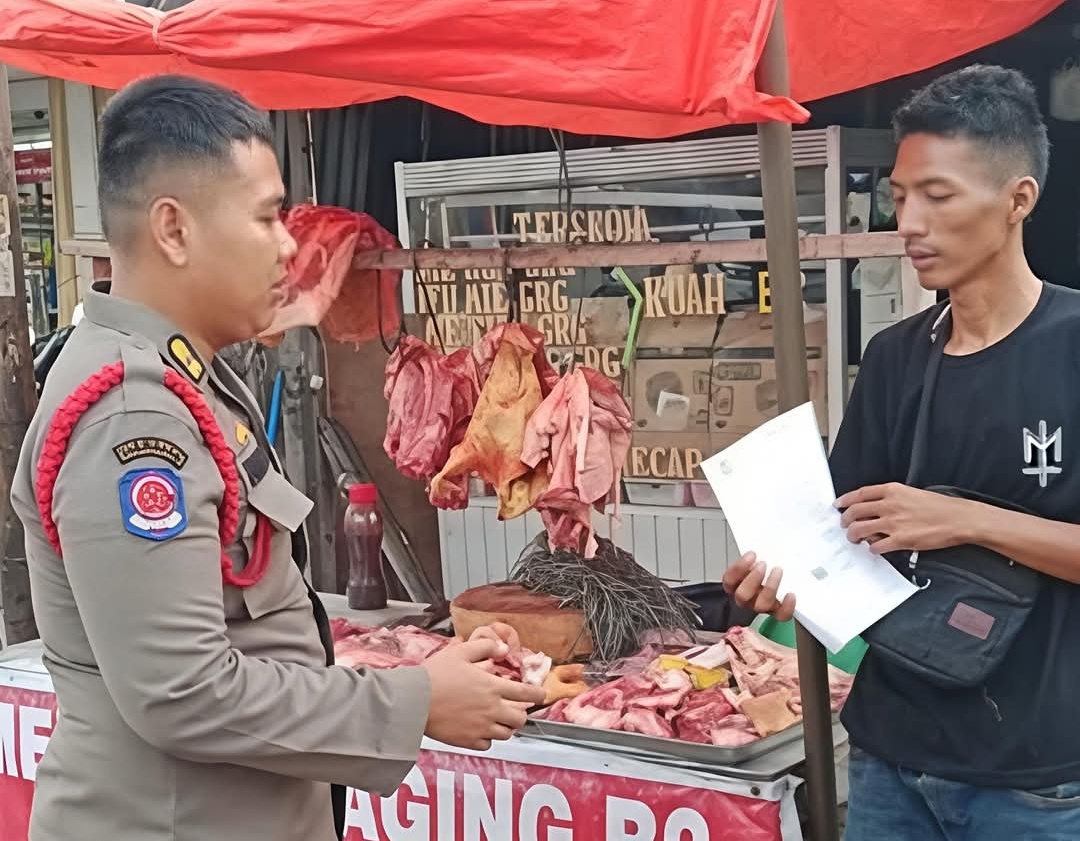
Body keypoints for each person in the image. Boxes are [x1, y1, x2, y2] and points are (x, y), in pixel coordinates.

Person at [10, 75, 544, 841]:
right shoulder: (130, 417)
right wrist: (414, 702)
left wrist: (417, 679)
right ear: (174, 230)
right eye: (266, 216)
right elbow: (181, 691)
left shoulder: (183, 381)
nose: (291, 243)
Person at [723, 65, 1080, 840]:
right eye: (899, 195)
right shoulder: (894, 356)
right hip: (889, 756)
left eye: (938, 196)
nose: (909, 221)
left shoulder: (1073, 346)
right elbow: (845, 536)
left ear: (1018, 200)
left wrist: (963, 519)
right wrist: (780, 578)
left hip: (1035, 777)